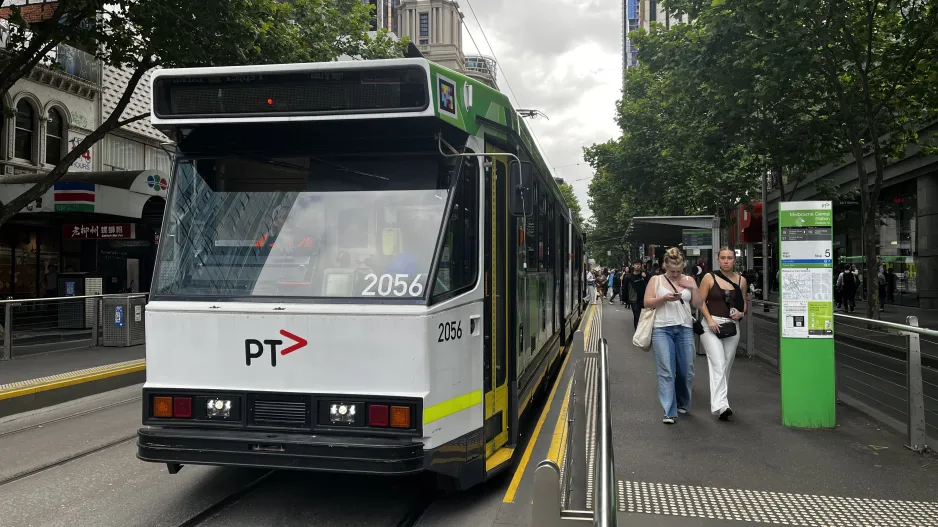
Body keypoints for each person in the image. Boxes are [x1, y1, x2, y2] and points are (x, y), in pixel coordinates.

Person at [643, 247, 702, 424]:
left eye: (678, 271)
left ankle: (683, 402)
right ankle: (669, 411)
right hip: (662, 328)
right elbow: (646, 302)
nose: (676, 274)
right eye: (672, 271)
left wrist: (694, 287)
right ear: (665, 267)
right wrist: (663, 299)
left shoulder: (689, 280)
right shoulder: (656, 280)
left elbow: (698, 304)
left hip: (684, 328)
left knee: (687, 370)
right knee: (666, 370)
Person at [697, 247, 747, 421]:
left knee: (726, 364)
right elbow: (700, 301)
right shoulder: (709, 278)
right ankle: (721, 405)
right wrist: (709, 320)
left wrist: (740, 314)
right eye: (723, 258)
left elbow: (743, 303)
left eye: (730, 258)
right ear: (718, 260)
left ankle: (721, 402)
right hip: (710, 326)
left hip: (732, 326)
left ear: (735, 260)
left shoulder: (741, 280)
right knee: (718, 362)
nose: (726, 261)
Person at [624, 261, 648, 328]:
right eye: (636, 264)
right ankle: (638, 332)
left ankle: (642, 331)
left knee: (644, 317)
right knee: (637, 316)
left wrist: (645, 277)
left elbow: (650, 283)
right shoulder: (628, 277)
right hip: (634, 300)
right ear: (633, 265)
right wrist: (625, 300)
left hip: (644, 298)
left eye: (639, 264)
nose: (638, 266)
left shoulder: (644, 275)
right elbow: (625, 288)